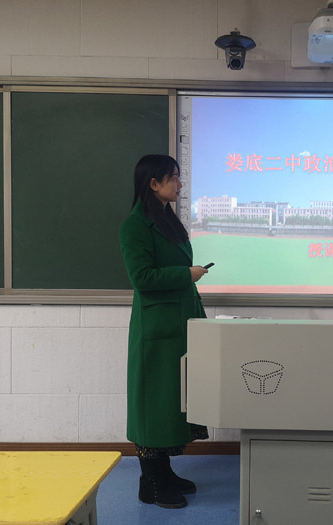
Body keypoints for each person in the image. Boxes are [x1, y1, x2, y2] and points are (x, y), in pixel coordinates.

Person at [119, 154, 209, 509]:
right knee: (152, 405)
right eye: (173, 178)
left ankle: (163, 474)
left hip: (178, 324)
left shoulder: (166, 219)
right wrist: (186, 274)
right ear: (153, 183)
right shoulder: (135, 226)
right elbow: (141, 278)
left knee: (171, 402)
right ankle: (151, 482)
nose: (179, 184)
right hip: (155, 331)